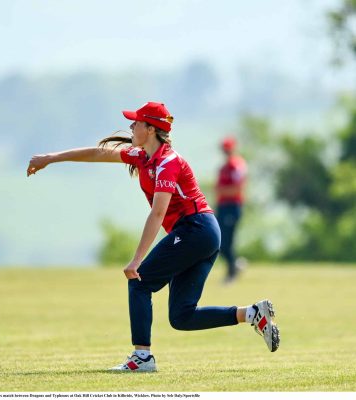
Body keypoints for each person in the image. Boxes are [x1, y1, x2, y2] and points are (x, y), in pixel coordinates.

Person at [27, 102, 279, 372]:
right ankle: (253, 314)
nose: (132, 126)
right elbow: (98, 153)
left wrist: (136, 260)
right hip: (201, 233)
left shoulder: (168, 162)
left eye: (136, 122)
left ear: (150, 129)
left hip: (196, 229)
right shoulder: (141, 156)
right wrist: (50, 158)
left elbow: (158, 214)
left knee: (139, 281)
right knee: (182, 316)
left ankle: (142, 357)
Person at [215, 136, 248, 284]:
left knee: (226, 242)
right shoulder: (223, 168)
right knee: (220, 241)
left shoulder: (237, 166)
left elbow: (238, 189)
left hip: (232, 206)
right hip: (222, 207)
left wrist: (222, 190)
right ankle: (236, 265)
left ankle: (232, 272)